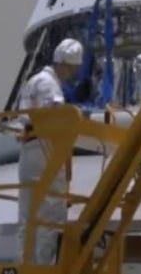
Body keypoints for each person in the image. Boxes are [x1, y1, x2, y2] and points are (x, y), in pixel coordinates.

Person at [15, 38, 85, 264]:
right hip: (45, 150)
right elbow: (54, 116)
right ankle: (43, 266)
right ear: (64, 63)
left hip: (28, 151)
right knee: (52, 211)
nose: (73, 74)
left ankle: (25, 264)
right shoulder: (48, 85)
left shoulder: (33, 80)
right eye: (73, 69)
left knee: (27, 215)